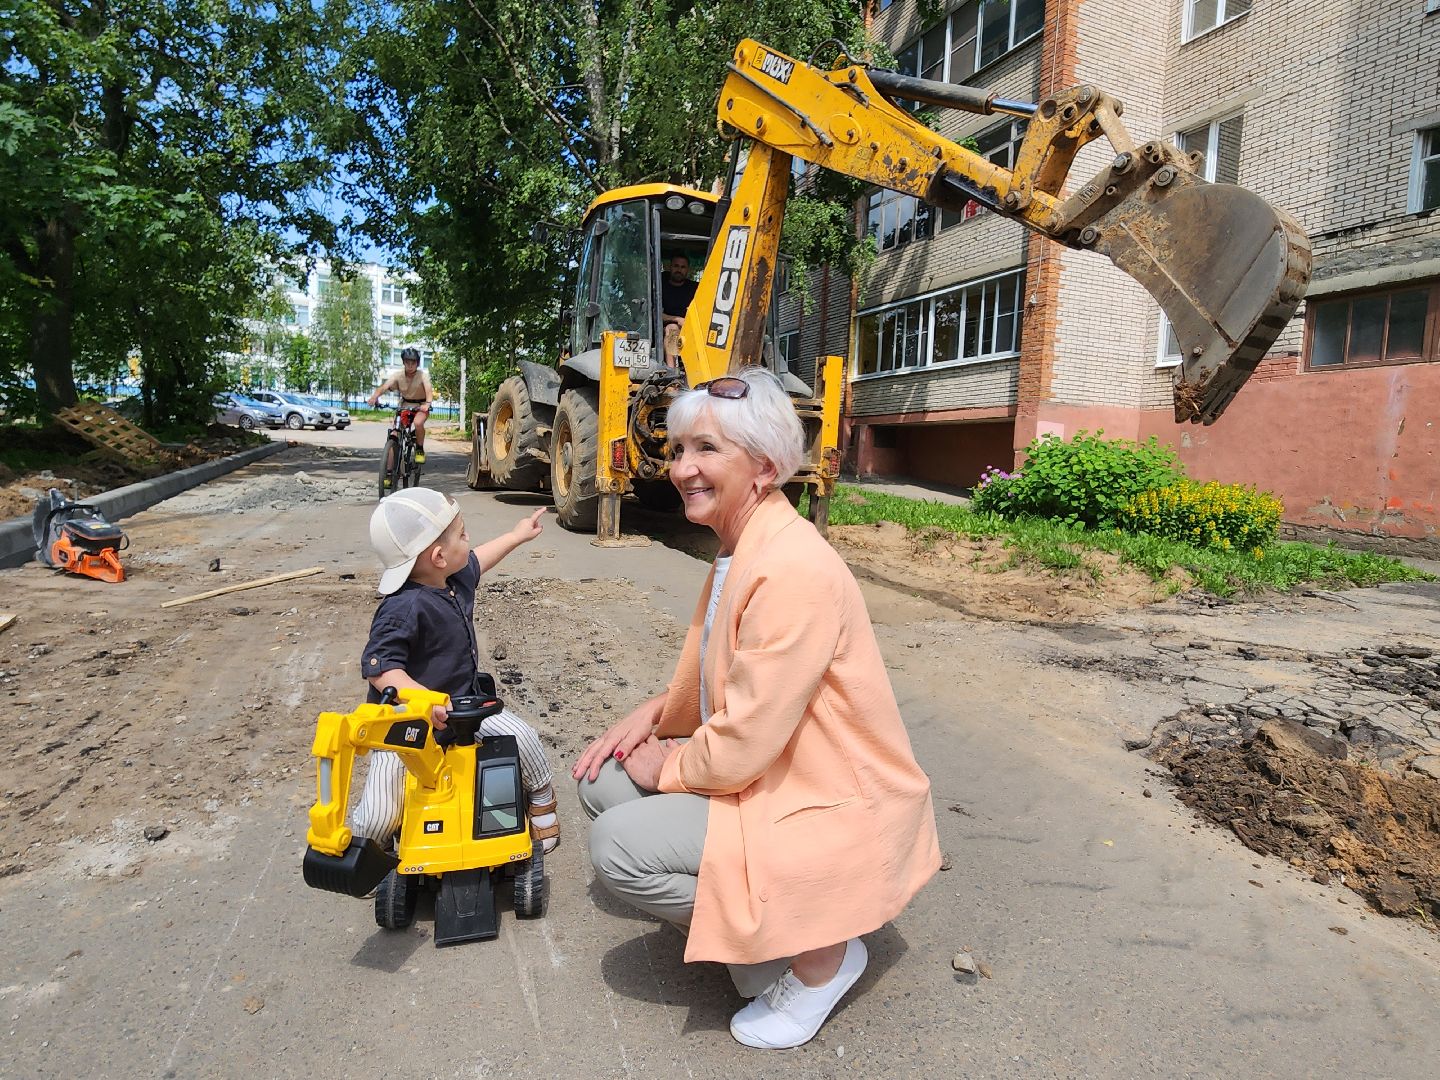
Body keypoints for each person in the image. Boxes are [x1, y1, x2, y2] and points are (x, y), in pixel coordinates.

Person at [573, 367, 940, 1050]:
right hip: (775, 771)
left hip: (821, 796)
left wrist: (671, 767)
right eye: (680, 449)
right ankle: (770, 923)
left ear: (766, 467)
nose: (684, 468)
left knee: (617, 848)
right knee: (605, 779)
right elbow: (737, 681)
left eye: (707, 450)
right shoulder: (745, 546)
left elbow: (741, 743)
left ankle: (813, 960)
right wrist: (658, 715)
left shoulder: (791, 567)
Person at [352, 488, 560, 853]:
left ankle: (541, 797)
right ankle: (374, 849)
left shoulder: (454, 578)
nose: (469, 540)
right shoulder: (402, 607)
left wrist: (516, 535)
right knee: (376, 818)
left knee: (523, 738)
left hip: (465, 708)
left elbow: (479, 559)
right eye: (463, 535)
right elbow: (380, 668)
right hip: (407, 726)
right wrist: (424, 700)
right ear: (438, 556)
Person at [367, 347, 433, 464]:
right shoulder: (398, 375)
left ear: (417, 363)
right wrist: (374, 397)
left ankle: (419, 449)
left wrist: (427, 404)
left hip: (421, 405)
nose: (410, 365)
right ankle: (388, 473)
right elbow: (384, 387)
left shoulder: (422, 375)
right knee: (394, 433)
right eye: (407, 362)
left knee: (418, 423)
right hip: (405, 405)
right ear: (403, 362)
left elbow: (428, 390)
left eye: (413, 362)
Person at [660, 255, 698, 366]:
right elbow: (654, 314)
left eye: (683, 267)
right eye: (676, 266)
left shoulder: (695, 288)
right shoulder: (659, 284)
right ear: (669, 267)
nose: (679, 270)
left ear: (687, 270)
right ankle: (672, 370)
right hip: (662, 329)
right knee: (672, 329)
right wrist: (677, 319)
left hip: (689, 328)